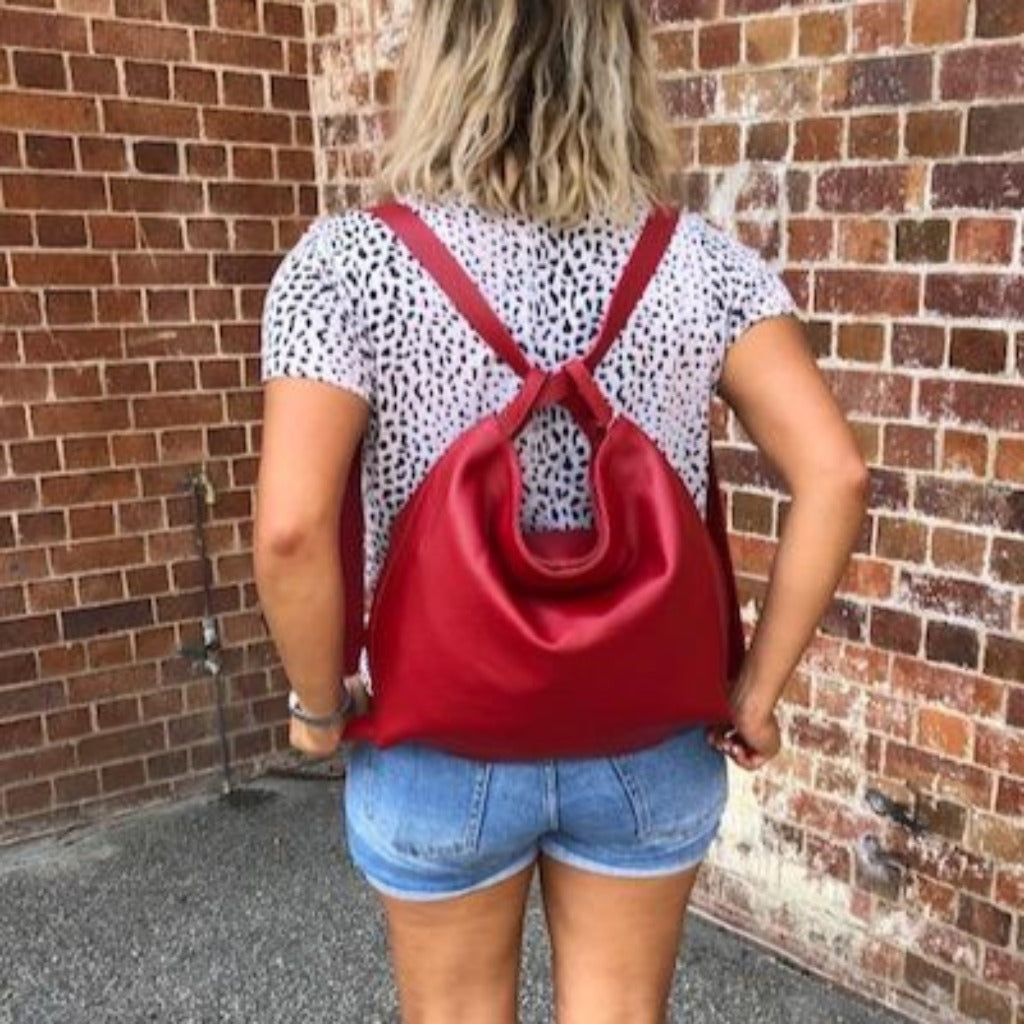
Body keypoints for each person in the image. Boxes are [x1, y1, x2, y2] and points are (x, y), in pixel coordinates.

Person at [253, 1, 869, 1021]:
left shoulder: (344, 266)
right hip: (647, 733)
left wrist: (321, 707)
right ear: (623, 65)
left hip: (436, 733)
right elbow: (835, 475)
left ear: (441, 63)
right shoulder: (705, 265)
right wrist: (753, 693)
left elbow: (289, 530)